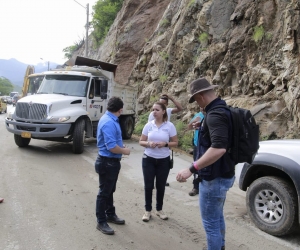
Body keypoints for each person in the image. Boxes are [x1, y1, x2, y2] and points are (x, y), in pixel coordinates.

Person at [176, 78, 235, 250]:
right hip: (224, 173)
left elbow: (219, 148)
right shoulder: (222, 109)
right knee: (217, 217)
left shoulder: (214, 115)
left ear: (200, 96)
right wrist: (201, 125)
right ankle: (220, 246)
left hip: (214, 178)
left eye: (194, 100)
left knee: (210, 224)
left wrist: (191, 169)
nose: (195, 104)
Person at [95, 96, 131, 235]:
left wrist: (120, 146)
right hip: (107, 162)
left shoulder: (109, 119)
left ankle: (110, 214)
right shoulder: (109, 122)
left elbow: (113, 142)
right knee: (104, 193)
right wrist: (124, 151)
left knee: (109, 190)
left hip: (109, 162)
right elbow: (111, 147)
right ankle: (101, 221)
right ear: (120, 110)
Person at [139, 102, 178, 222]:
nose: (154, 112)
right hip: (148, 158)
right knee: (148, 186)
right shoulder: (148, 125)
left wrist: (165, 144)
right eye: (153, 109)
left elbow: (175, 142)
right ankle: (147, 210)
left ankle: (159, 209)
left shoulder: (169, 126)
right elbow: (141, 141)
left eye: (156, 109)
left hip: (163, 160)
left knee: (161, 186)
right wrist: (148, 144)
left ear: (163, 111)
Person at [148, 94, 183, 186]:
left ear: (166, 105)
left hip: (166, 138)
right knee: (154, 158)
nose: (161, 104)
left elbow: (180, 108)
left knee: (165, 159)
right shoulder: (153, 114)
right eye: (159, 102)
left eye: (163, 103)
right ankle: (153, 179)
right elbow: (149, 128)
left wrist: (172, 98)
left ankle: (162, 178)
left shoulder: (169, 110)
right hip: (155, 139)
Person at [187, 108, 205, 196]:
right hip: (197, 145)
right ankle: (196, 187)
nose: (201, 108)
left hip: (208, 146)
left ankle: (205, 187)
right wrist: (194, 121)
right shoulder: (198, 115)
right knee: (196, 165)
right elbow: (189, 127)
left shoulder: (212, 114)